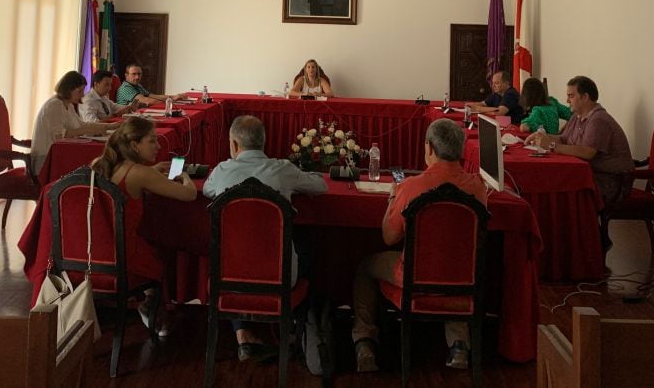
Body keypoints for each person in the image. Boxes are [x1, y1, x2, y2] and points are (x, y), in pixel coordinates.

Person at [351, 119, 487, 372]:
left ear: (430, 149)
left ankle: (364, 341)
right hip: (463, 276)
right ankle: (459, 344)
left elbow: (389, 238)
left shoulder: (410, 187)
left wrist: (393, 199)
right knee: (451, 267)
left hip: (413, 276)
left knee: (365, 266)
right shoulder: (478, 188)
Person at [202, 115, 328, 362]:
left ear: (234, 145)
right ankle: (297, 328)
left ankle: (242, 334)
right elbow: (320, 187)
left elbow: (207, 190)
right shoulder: (283, 169)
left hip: (229, 276)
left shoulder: (221, 171)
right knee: (310, 250)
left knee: (236, 251)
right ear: (264, 142)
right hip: (279, 276)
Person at [89, 116, 198, 335]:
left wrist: (152, 171)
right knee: (159, 255)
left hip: (93, 253)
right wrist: (185, 175)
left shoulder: (99, 165)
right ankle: (152, 309)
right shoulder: (141, 173)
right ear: (134, 145)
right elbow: (189, 195)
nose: (158, 146)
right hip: (125, 257)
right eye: (152, 141)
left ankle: (149, 307)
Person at [524, 75, 634, 249]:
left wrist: (550, 145)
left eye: (571, 96)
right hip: (590, 174)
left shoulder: (598, 120)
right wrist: (541, 137)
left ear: (585, 97)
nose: (567, 100)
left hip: (610, 181)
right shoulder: (577, 117)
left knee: (562, 190)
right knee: (554, 185)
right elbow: (564, 139)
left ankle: (585, 244)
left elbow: (587, 152)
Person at [30, 71, 117, 174]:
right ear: (69, 89)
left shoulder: (69, 105)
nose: (83, 94)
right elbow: (60, 135)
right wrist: (85, 130)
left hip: (60, 153)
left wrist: (109, 126)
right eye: (80, 91)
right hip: (46, 159)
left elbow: (83, 125)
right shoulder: (54, 105)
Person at [115, 63, 188, 107]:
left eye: (139, 74)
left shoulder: (138, 86)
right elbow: (147, 100)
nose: (137, 77)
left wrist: (174, 96)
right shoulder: (125, 88)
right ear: (126, 75)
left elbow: (154, 96)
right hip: (126, 120)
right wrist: (171, 101)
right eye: (134, 74)